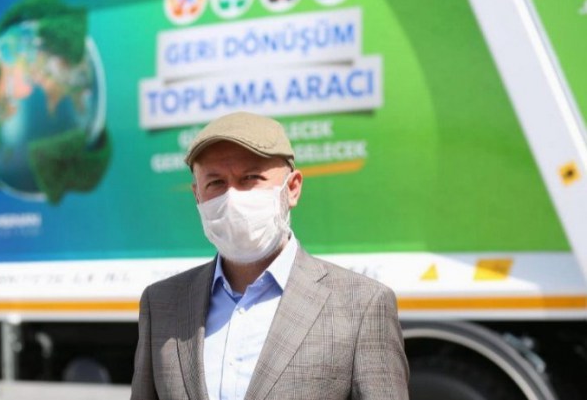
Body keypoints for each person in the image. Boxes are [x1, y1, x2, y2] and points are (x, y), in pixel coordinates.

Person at [131, 111, 409, 400]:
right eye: (216, 183)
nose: (232, 197)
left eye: (251, 178)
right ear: (197, 195)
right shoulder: (162, 304)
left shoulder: (361, 306)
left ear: (292, 188)